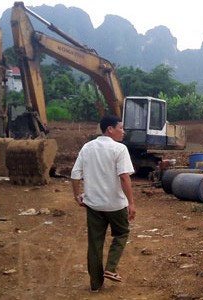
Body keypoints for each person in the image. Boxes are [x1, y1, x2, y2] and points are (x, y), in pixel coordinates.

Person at [71, 115, 135, 293]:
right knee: (122, 233)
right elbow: (124, 177)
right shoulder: (119, 149)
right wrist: (131, 203)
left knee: (95, 244)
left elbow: (75, 175)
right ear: (110, 129)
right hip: (116, 205)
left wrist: (77, 196)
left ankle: (95, 285)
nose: (123, 131)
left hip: (94, 206)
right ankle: (111, 268)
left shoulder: (87, 147)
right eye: (121, 128)